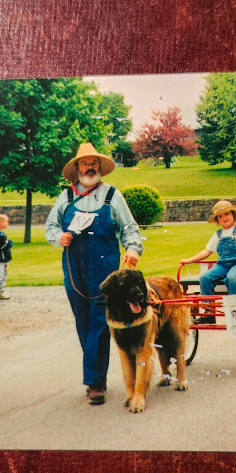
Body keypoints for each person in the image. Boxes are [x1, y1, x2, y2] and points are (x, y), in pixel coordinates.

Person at [45, 143, 144, 405]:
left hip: (106, 271)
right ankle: (95, 374)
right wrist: (60, 237)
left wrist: (133, 249)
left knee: (100, 323)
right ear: (76, 168)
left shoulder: (112, 195)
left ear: (100, 167)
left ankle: (95, 382)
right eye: (84, 163)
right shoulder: (65, 197)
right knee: (84, 323)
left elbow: (130, 228)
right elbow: (50, 227)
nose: (90, 167)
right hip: (75, 270)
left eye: (94, 163)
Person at [180, 200, 236, 324]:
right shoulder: (218, 235)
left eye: (227, 214)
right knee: (205, 278)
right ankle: (209, 313)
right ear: (217, 220)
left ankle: (233, 313)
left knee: (232, 278)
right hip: (223, 265)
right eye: (220, 216)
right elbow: (207, 252)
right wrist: (190, 260)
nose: (224, 218)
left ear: (233, 215)